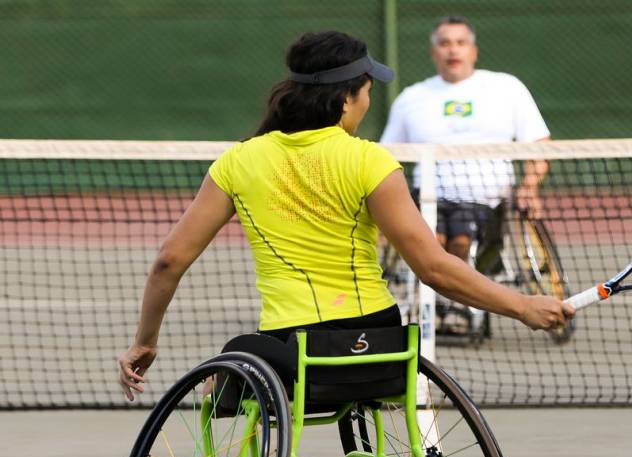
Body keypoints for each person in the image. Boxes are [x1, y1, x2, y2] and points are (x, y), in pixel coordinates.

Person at [117, 30, 573, 401]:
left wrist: (146, 341)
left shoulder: (238, 162)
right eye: (368, 91)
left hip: (290, 357)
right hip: (378, 350)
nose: (368, 101)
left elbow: (169, 261)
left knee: (230, 371)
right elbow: (433, 268)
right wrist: (523, 306)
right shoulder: (370, 162)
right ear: (347, 99)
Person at [380, 15, 551, 263]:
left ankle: (456, 296)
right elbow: (386, 156)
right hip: (426, 200)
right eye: (444, 43)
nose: (452, 50)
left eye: (460, 42)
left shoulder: (507, 87)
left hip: (488, 202)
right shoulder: (410, 98)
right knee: (431, 242)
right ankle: (438, 297)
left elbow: (539, 145)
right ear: (433, 52)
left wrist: (530, 186)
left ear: (474, 51)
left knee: (460, 242)